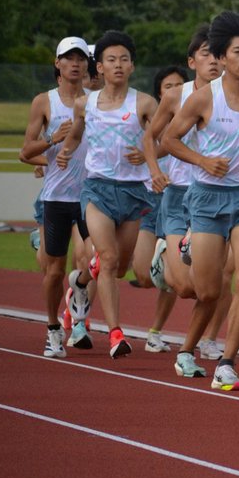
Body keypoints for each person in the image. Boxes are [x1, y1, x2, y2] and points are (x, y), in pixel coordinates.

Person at [160, 11, 239, 390]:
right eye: (238, 52)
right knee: (208, 291)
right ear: (223, 58)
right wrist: (203, 161)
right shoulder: (201, 99)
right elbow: (169, 140)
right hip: (206, 199)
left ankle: (227, 362)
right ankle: (186, 350)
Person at [56, 30, 162, 359]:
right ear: (98, 67)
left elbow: (165, 140)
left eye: (124, 59)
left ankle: (81, 282)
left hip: (133, 192)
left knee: (119, 267)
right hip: (98, 189)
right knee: (109, 257)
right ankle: (116, 332)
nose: (118, 65)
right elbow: (75, 135)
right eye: (111, 60)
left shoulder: (144, 103)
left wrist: (149, 155)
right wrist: (65, 152)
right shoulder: (85, 104)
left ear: (132, 66)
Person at [143, 25, 224, 361]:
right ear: (192, 61)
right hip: (177, 195)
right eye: (206, 53)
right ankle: (165, 253)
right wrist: (155, 171)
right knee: (184, 287)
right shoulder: (177, 96)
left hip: (215, 197)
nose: (214, 60)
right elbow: (152, 137)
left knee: (213, 284)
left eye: (218, 53)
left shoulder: (235, 95)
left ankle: (200, 344)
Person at [19, 37, 93, 357]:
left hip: (92, 196)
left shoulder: (97, 101)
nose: (75, 63)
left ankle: (78, 292)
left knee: (97, 260)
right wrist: (52, 139)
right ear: (58, 63)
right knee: (54, 270)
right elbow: (26, 151)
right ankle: (52, 328)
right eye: (69, 58)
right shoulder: (44, 102)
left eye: (81, 58)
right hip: (58, 197)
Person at [130, 65, 187, 353]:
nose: (175, 90)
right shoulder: (151, 123)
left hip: (179, 200)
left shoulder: (198, 117)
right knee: (143, 275)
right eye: (168, 86)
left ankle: (155, 331)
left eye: (179, 84)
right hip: (149, 201)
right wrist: (148, 166)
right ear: (159, 94)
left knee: (171, 280)